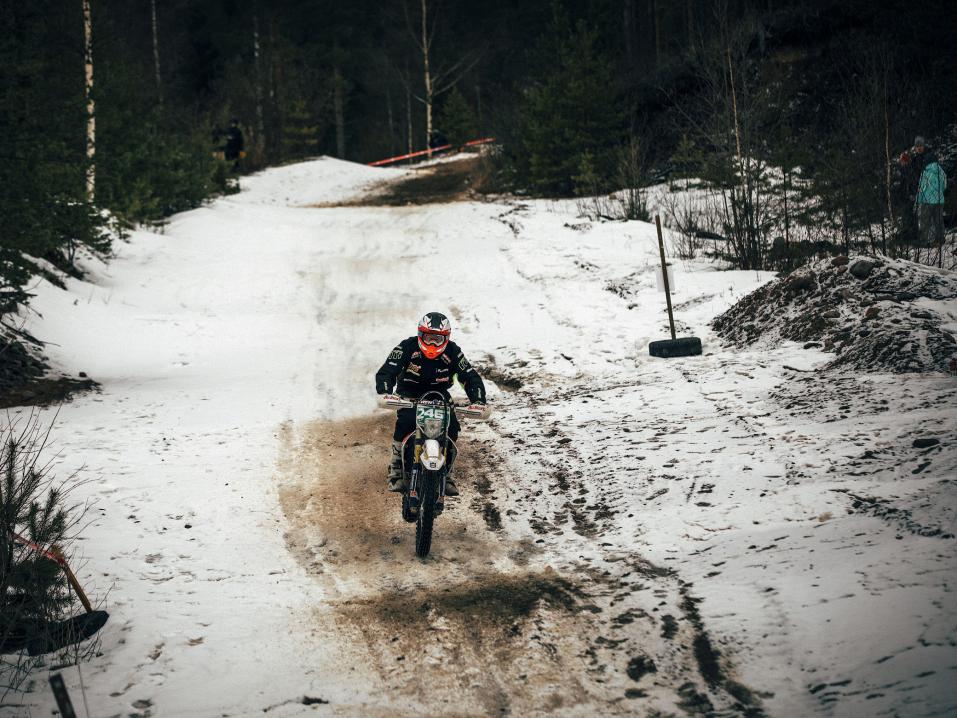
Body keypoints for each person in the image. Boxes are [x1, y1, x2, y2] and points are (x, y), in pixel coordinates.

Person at [375, 312, 487, 494]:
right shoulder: (407, 347)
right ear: (420, 335)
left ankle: (447, 473)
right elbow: (388, 370)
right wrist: (386, 392)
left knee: (452, 427)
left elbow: (469, 376)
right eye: (428, 338)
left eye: (438, 339)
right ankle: (395, 470)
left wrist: (479, 401)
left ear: (446, 338)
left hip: (439, 394)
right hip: (409, 392)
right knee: (406, 421)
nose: (433, 344)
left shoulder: (453, 351)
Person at [916, 149, 947, 247]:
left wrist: (918, 200)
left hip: (927, 200)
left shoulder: (926, 172)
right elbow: (945, 185)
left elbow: (921, 188)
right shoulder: (941, 171)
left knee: (925, 221)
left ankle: (924, 241)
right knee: (938, 220)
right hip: (939, 200)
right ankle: (940, 239)